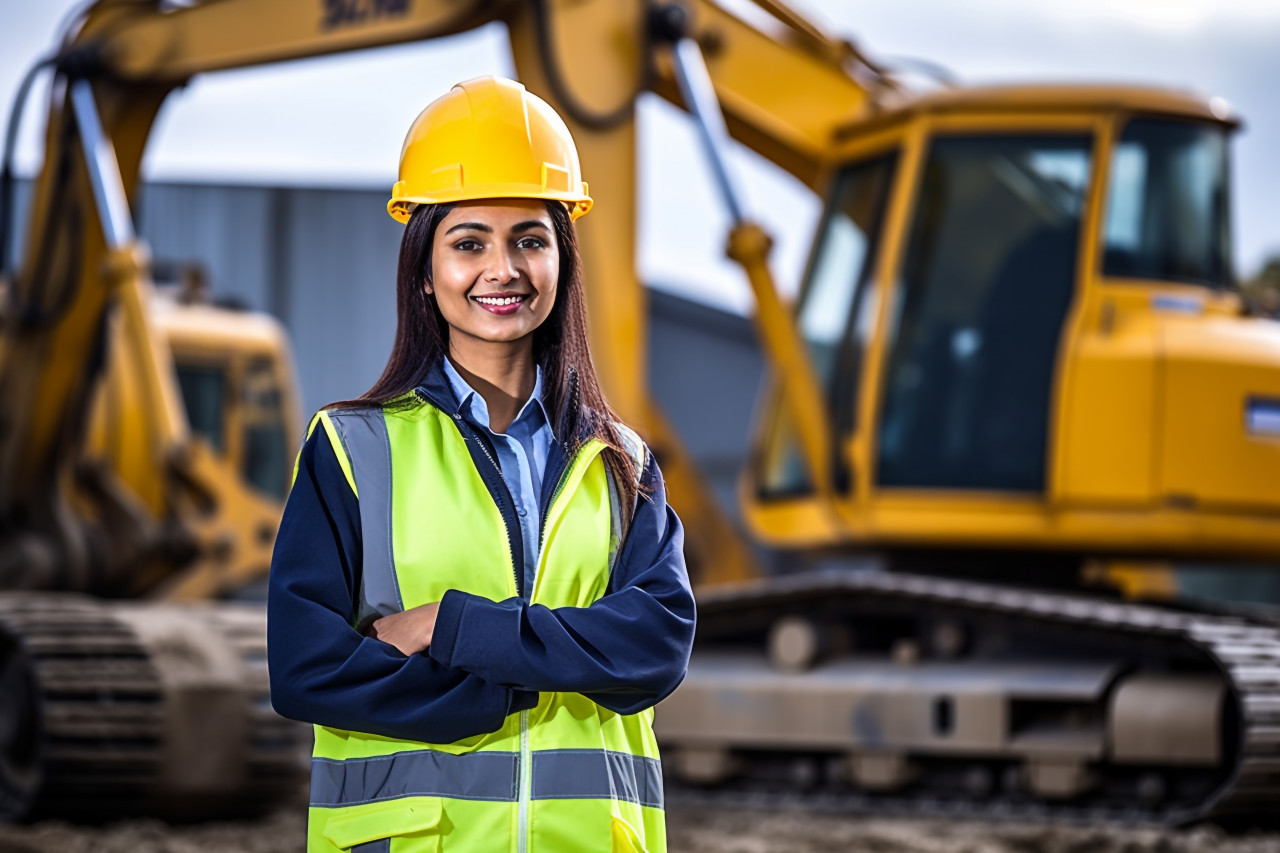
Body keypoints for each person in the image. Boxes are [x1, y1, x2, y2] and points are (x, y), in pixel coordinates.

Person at [267, 76, 696, 853]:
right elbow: (307, 669)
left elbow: (656, 647)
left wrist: (450, 627)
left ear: (561, 261)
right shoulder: (351, 448)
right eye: (469, 243)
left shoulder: (622, 464)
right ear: (425, 273)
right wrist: (523, 681)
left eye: (529, 239)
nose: (503, 268)